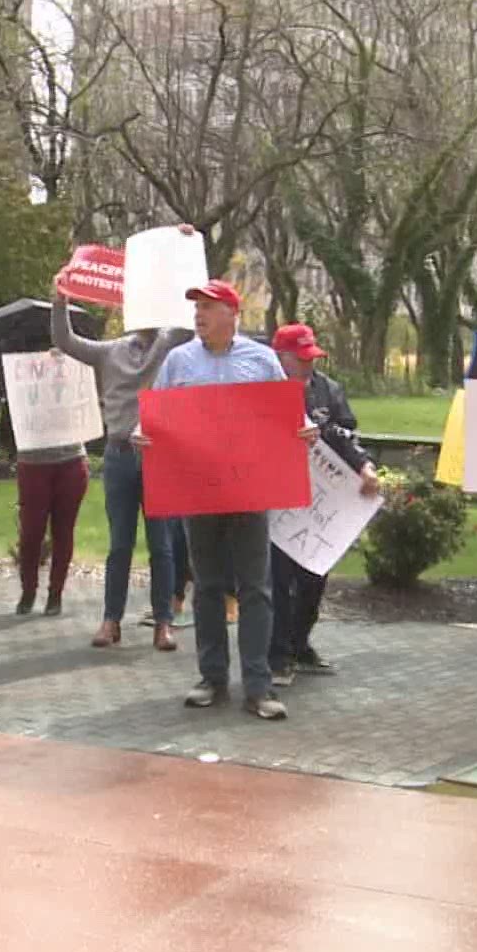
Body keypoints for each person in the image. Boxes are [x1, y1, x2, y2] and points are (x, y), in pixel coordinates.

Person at [135, 280, 320, 720]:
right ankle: (212, 678)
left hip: (251, 490)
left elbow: (288, 413)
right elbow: (156, 417)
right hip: (198, 491)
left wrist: (305, 427)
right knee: (209, 586)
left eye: (207, 307)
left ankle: (258, 686)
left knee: (256, 588)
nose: (197, 315)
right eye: (195, 308)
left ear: (231, 314)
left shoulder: (261, 359)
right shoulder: (178, 361)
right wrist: (142, 434)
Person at [51, 280, 192, 653]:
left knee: (162, 545)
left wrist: (184, 252)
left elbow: (194, 312)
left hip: (160, 456)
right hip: (119, 455)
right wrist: (60, 301)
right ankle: (111, 620)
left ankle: (163, 622)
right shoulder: (110, 352)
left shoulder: (171, 344)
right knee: (120, 544)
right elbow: (66, 342)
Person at [267, 323, 379, 685]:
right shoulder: (264, 389)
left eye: (310, 359)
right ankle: (278, 654)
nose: (307, 366)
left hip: (321, 499)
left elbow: (346, 433)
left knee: (314, 574)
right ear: (280, 358)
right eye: (300, 360)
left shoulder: (328, 390)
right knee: (278, 580)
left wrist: (364, 465)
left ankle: (301, 643)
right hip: (278, 498)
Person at [13, 351, 90, 616]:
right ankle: (28, 591)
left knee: (63, 531)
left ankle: (55, 594)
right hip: (33, 463)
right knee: (31, 532)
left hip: (71, 461)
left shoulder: (74, 372)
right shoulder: (21, 381)